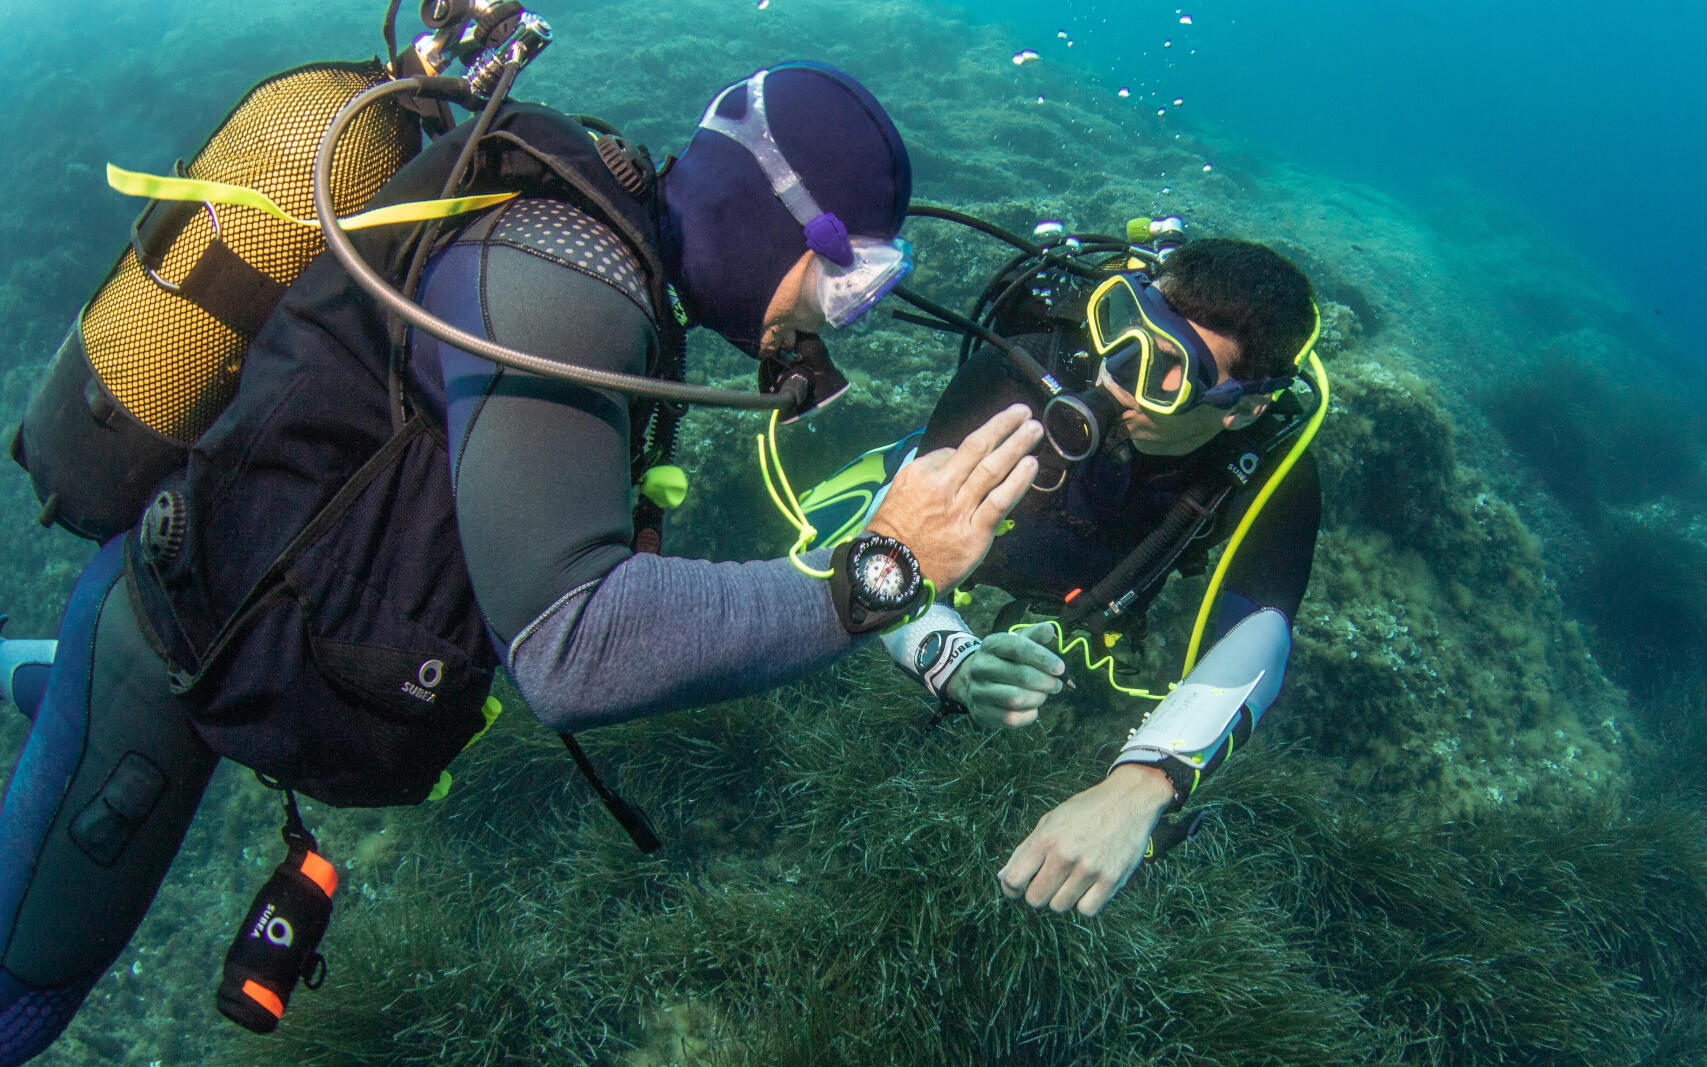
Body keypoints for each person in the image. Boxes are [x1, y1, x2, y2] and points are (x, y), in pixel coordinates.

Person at [0, 62, 1040, 1062]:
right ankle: (64, 689)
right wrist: (876, 572)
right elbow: (569, 647)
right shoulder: (567, 279)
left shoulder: (610, 247)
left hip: (247, 623)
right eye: (848, 275)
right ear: (775, 215)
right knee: (23, 1000)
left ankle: (35, 674)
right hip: (169, 662)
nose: (836, 315)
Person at [818, 234, 1324, 918]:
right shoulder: (1019, 376)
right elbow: (889, 555)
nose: (1118, 374)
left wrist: (1143, 784)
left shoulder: (1272, 464)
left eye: (1170, 367)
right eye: (1127, 328)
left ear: (1243, 407)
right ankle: (898, 456)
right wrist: (957, 664)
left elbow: (1262, 629)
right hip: (986, 545)